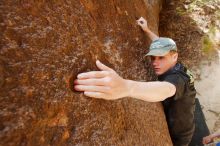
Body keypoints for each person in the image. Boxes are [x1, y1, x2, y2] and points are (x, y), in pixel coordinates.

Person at [74, 17, 196, 146]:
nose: (155, 63)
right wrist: (147, 29)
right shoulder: (174, 61)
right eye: (153, 58)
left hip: (179, 134)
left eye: (161, 57)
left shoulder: (178, 79)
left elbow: (167, 89)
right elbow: (158, 41)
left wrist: (127, 87)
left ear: (174, 56)